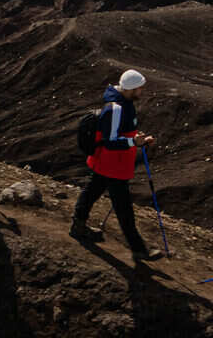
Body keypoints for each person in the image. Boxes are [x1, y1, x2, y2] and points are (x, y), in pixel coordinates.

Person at [70, 69, 163, 261]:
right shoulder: (116, 109)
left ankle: (78, 226)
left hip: (110, 163)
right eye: (139, 88)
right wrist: (133, 142)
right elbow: (110, 141)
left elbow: (122, 134)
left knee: (92, 191)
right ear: (130, 89)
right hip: (112, 164)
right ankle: (138, 249)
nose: (142, 91)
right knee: (123, 207)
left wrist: (139, 141)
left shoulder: (124, 103)